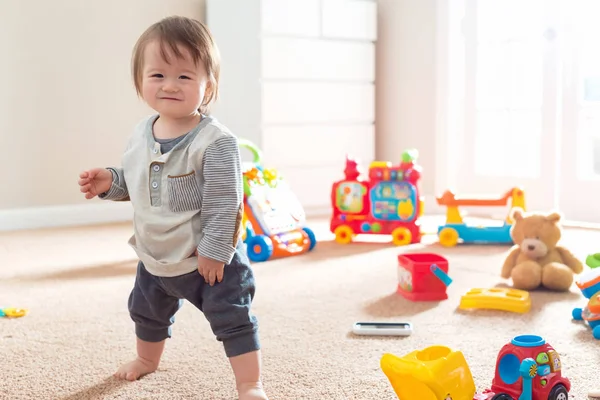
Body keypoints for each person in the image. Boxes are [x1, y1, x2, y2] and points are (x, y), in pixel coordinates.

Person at [77, 16, 268, 400]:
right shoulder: (141, 132)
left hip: (207, 261)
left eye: (184, 77)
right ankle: (147, 360)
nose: (169, 85)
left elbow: (225, 202)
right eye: (158, 75)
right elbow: (142, 183)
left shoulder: (215, 142)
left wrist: (214, 252)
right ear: (140, 82)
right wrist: (110, 183)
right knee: (146, 313)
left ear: (207, 86)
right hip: (155, 257)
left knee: (233, 318)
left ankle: (250, 383)